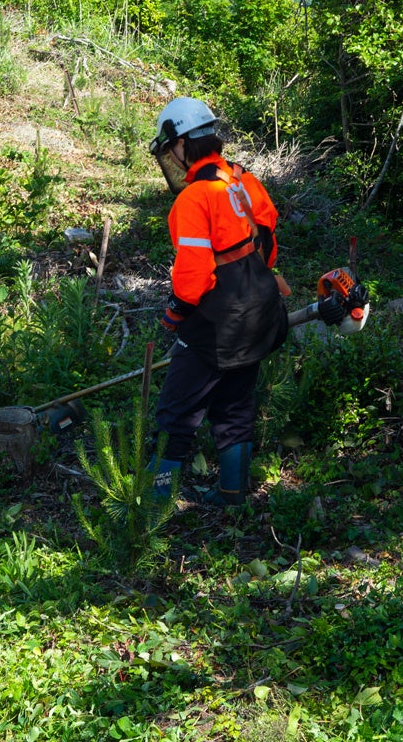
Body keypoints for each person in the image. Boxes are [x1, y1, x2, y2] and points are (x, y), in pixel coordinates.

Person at [147, 95, 290, 508]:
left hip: (217, 322)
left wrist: (176, 313)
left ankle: (154, 505)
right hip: (260, 309)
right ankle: (232, 495)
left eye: (170, 148)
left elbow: (193, 275)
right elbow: (268, 240)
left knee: (176, 412)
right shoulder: (242, 180)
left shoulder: (195, 198)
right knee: (235, 407)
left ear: (181, 144)